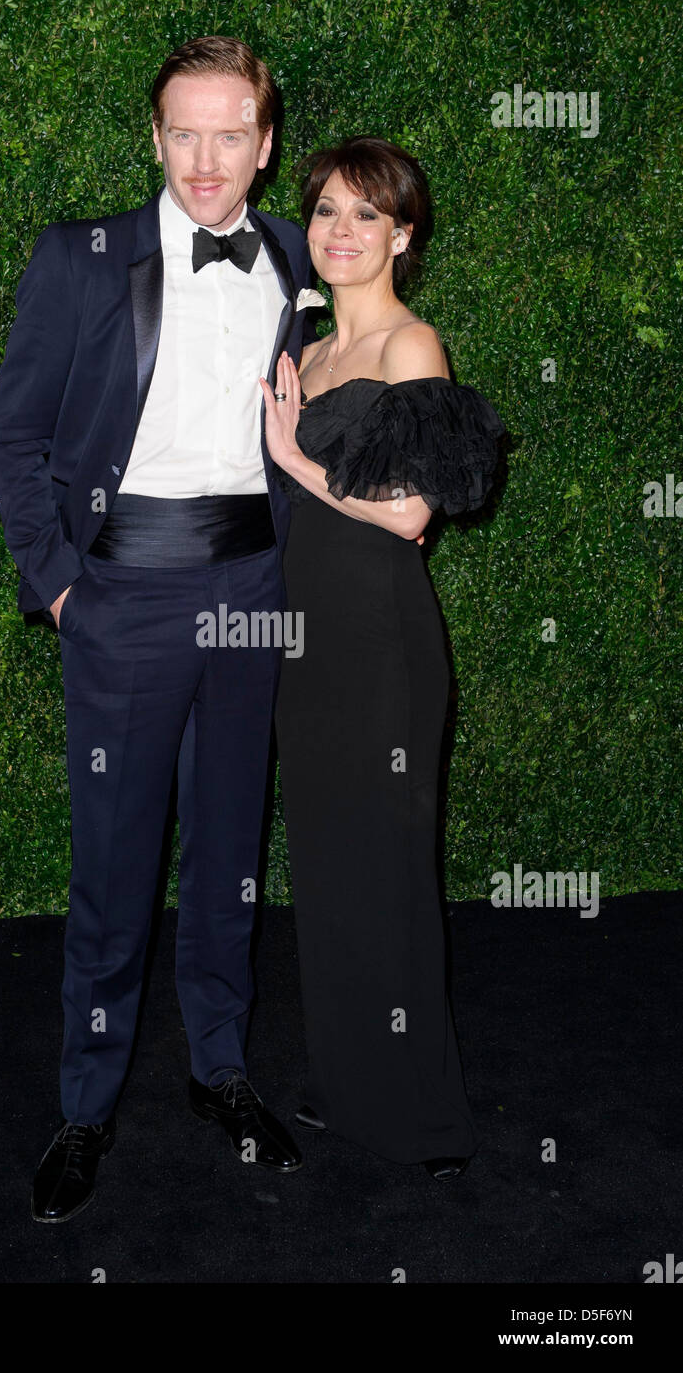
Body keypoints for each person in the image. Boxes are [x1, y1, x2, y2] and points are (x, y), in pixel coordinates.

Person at [0, 36, 321, 1223]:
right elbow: (11, 442)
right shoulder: (79, 261)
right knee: (112, 871)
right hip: (120, 599)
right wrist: (65, 588)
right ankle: (86, 1103)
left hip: (248, 589)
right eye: (185, 132)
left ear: (265, 146)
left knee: (228, 850)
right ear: (156, 136)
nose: (206, 159)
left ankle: (220, 1072)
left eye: (232, 133)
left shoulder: (289, 254)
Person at [259, 136, 505, 1180]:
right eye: (323, 211)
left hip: (382, 639)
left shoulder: (412, 346)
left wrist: (288, 458)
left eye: (366, 215)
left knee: (390, 865)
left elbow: (409, 513)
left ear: (403, 233)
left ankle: (421, 1117)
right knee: (327, 864)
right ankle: (350, 1082)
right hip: (306, 638)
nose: (339, 232)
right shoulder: (306, 353)